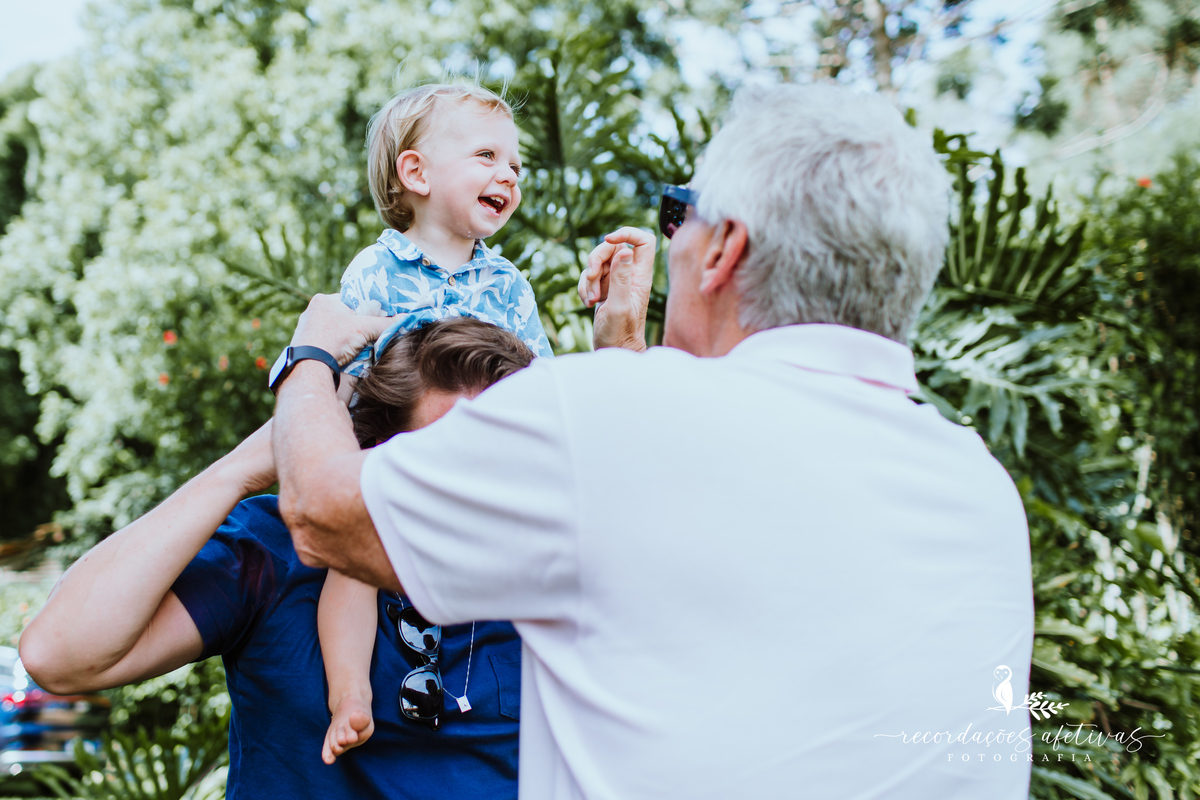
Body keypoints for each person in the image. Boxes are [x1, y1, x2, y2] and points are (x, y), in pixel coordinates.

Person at [270, 83, 1034, 799]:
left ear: (724, 249)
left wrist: (308, 356)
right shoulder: (982, 489)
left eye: (678, 214)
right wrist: (623, 339)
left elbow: (325, 511)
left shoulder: (609, 421)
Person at [19, 318, 534, 800]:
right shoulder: (276, 545)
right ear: (375, 457)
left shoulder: (556, 568)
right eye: (442, 460)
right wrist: (269, 445)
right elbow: (59, 655)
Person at [318, 81, 554, 763]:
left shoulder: (508, 285)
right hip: (396, 454)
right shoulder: (375, 272)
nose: (507, 174)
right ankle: (350, 695)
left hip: (488, 467)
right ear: (416, 173)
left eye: (515, 165)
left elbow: (539, 382)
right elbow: (345, 369)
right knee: (352, 568)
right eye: (486, 155)